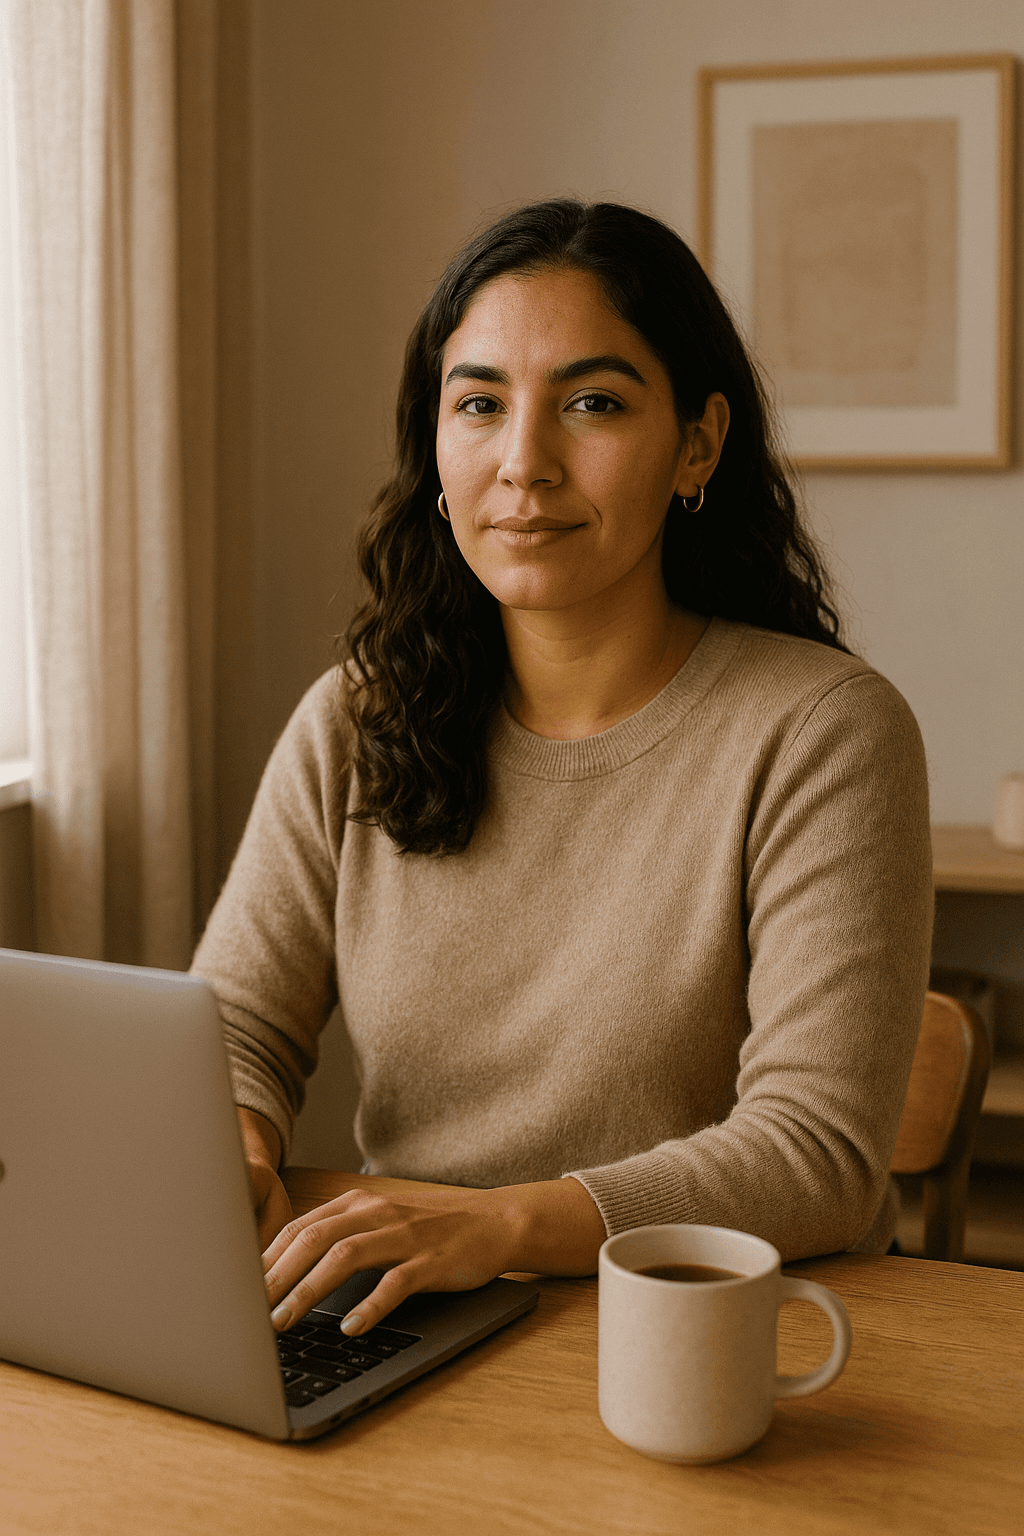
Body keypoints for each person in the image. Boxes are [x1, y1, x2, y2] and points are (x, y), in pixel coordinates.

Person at [191, 199, 933, 1343]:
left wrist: (495, 1227)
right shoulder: (357, 715)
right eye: (479, 404)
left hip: (713, 1338)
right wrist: (235, 1143)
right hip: (403, 1312)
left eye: (592, 403)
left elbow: (816, 1153)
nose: (523, 463)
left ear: (697, 442)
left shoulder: (824, 732)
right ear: (433, 449)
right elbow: (231, 1032)